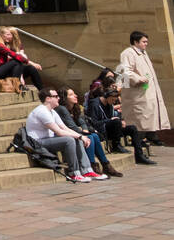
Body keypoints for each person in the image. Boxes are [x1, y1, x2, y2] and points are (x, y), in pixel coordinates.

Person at [24, 87, 97, 182]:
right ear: (48, 99)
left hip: (48, 139)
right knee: (69, 140)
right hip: (37, 143)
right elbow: (59, 132)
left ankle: (86, 170)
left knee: (74, 138)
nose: (59, 98)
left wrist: (81, 137)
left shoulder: (52, 111)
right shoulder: (42, 111)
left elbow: (65, 128)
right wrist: (79, 136)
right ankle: (74, 173)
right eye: (56, 96)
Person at [117, 30, 169, 162]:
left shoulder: (143, 53)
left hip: (145, 94)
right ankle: (139, 153)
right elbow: (125, 70)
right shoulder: (128, 53)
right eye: (144, 41)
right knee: (138, 124)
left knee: (145, 123)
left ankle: (145, 146)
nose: (146, 44)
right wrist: (138, 78)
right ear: (136, 42)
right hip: (137, 96)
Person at [59, 87, 119, 177]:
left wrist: (85, 130)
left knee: (94, 136)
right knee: (90, 137)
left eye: (74, 93)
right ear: (64, 98)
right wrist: (83, 133)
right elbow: (72, 126)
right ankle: (91, 166)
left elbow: (82, 122)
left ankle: (105, 164)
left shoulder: (75, 107)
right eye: (71, 95)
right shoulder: (61, 109)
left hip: (76, 133)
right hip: (66, 134)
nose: (75, 95)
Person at [87, 83, 144, 159]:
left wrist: (121, 120)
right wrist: (109, 120)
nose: (114, 102)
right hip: (102, 130)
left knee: (132, 128)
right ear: (108, 97)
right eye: (113, 100)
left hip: (113, 129)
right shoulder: (94, 104)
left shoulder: (109, 105)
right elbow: (94, 123)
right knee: (116, 122)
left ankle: (139, 155)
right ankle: (116, 145)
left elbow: (113, 118)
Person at [0, 24, 44, 91]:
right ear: (1, 35)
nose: (10, 36)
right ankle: (16, 85)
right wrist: (33, 63)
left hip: (2, 71)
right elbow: (15, 56)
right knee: (16, 61)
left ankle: (43, 91)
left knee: (30, 69)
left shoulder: (4, 45)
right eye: (8, 34)